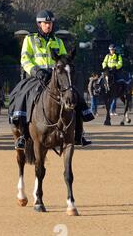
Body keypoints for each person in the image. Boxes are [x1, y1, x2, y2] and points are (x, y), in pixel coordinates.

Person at [8, 10, 94, 149]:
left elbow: (64, 59)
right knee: (23, 94)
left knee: (74, 95)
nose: (49, 26)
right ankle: (23, 135)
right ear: (39, 24)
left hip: (55, 76)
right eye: (46, 23)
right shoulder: (30, 39)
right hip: (37, 77)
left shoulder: (58, 41)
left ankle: (79, 134)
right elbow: (25, 59)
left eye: (50, 23)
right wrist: (36, 71)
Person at [102, 44, 123, 116]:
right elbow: (104, 62)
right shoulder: (107, 55)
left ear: (114, 50)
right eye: (110, 50)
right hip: (108, 70)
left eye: (112, 49)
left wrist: (116, 66)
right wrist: (105, 66)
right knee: (101, 78)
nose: (111, 51)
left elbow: (120, 63)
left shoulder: (118, 55)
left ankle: (121, 87)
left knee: (119, 79)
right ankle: (98, 88)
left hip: (114, 70)